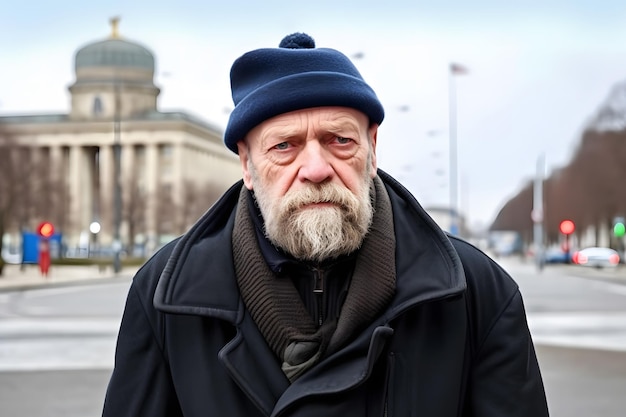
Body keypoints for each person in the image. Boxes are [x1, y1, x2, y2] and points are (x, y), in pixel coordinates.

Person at [102, 33, 549, 417]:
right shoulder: (163, 296)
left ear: (372, 147)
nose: (315, 168)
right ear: (247, 163)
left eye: (340, 140)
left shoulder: (477, 292)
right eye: (284, 146)